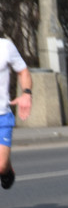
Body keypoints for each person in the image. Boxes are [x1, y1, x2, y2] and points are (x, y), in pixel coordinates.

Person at [0, 38, 32, 190]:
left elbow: (23, 71)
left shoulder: (5, 47)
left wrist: (26, 94)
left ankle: (7, 170)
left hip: (2, 115)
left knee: (1, 165)